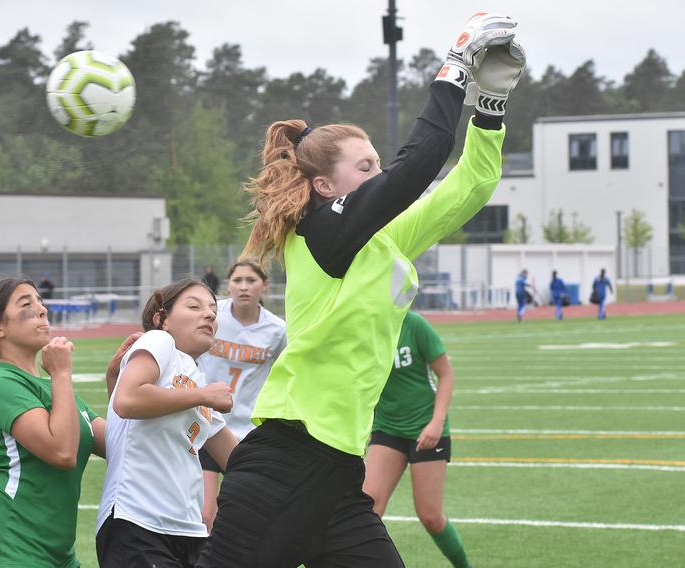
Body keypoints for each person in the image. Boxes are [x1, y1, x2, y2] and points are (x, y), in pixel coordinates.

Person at [194, 13, 525, 567]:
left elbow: (472, 184)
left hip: (340, 467)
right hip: (286, 461)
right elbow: (419, 161)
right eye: (365, 165)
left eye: (377, 162)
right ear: (326, 187)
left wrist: (489, 101)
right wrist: (457, 64)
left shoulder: (385, 239)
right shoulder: (321, 231)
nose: (379, 173)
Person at [0, 278, 105, 568]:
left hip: (57, 556)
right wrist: (61, 374)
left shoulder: (52, 388)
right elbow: (62, 452)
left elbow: (120, 443)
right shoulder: (0, 382)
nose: (42, 309)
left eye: (40, 301)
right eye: (27, 304)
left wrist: (123, 382)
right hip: (5, 550)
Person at [96, 279, 237, 568]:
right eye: (194, 306)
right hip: (138, 522)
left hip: (188, 530)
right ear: (162, 319)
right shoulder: (160, 341)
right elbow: (128, 399)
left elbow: (237, 459)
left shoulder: (196, 377)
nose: (210, 314)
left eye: (213, 309)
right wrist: (203, 395)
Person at [363, 311, 469, 568]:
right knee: (367, 509)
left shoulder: (414, 325)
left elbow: (445, 374)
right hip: (387, 428)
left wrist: (436, 422)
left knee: (430, 516)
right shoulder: (364, 327)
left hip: (427, 429)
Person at [196, 259, 287, 530]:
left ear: (265, 286)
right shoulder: (212, 317)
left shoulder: (277, 330)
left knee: (249, 516)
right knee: (204, 516)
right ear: (228, 285)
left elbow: (284, 379)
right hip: (207, 424)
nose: (244, 287)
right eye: (237, 281)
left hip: (249, 434)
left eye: (251, 281)